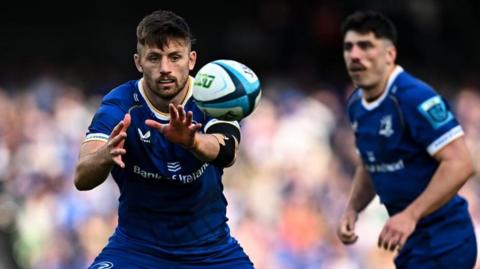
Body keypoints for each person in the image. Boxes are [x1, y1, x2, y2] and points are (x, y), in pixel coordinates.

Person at [74, 10, 254, 269]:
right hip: (136, 249)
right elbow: (81, 177)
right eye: (154, 58)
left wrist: (192, 142)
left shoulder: (212, 96)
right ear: (139, 62)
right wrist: (105, 154)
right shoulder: (120, 104)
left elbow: (227, 151)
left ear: (191, 60)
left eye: (175, 57)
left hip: (210, 252)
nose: (165, 69)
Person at [336, 10, 477, 268]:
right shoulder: (356, 104)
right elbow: (369, 163)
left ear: (389, 54)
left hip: (445, 241)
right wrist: (353, 209)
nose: (355, 55)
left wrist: (410, 215)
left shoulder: (414, 97)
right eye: (349, 47)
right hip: (410, 243)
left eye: (366, 46)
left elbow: (461, 164)